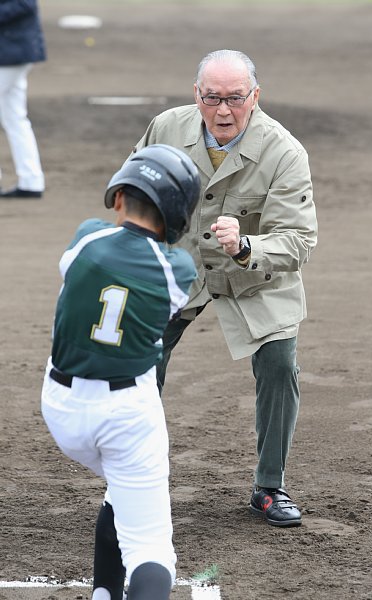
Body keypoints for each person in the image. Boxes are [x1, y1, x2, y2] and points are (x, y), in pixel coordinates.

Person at [130, 49, 318, 528]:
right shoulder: (166, 128)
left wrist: (245, 246)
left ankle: (269, 485)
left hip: (255, 273)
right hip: (179, 266)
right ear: (196, 94)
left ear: (255, 96)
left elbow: (297, 241)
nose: (222, 111)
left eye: (235, 97)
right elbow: (132, 190)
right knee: (139, 358)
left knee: (279, 365)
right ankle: (133, 476)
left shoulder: (284, 151)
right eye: (211, 97)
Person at [41, 144, 201, 600]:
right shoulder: (177, 270)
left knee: (122, 489)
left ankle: (104, 593)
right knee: (151, 549)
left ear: (117, 198)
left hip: (60, 407)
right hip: (125, 415)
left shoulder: (85, 238)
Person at [0, 0, 46, 198]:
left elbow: (25, 3)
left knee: (15, 118)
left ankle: (31, 180)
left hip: (11, 51)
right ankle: (31, 181)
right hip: (13, 50)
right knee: (15, 118)